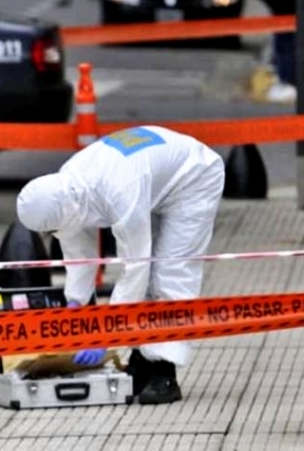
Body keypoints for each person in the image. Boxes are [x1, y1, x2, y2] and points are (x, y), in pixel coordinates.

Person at [16, 125, 225, 405]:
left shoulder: (118, 190)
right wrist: (76, 302)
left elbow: (135, 265)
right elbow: (79, 250)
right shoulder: (67, 185)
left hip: (194, 176)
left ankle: (164, 370)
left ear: (66, 210)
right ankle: (143, 358)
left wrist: (107, 334)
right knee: (150, 274)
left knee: (168, 273)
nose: (54, 234)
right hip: (151, 178)